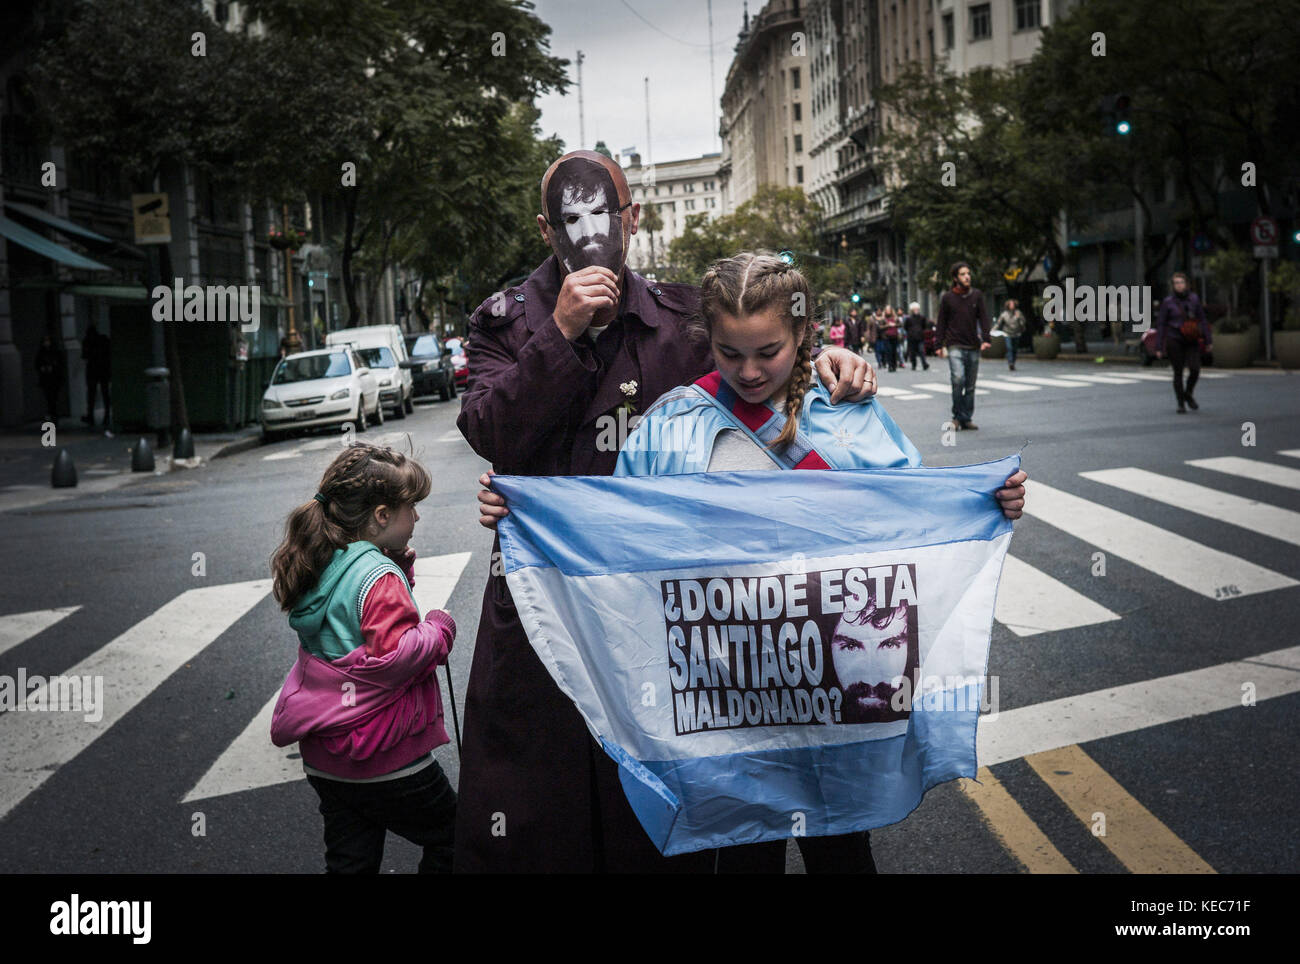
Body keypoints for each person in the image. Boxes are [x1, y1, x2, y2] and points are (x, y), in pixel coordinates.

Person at [458, 152, 880, 874]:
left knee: (667, 809)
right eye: (570, 217)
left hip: (671, 609)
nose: (590, 231)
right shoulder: (503, 323)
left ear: (634, 218)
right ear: (545, 229)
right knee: (541, 811)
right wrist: (557, 335)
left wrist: (828, 369)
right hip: (547, 607)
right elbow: (491, 430)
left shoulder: (684, 318)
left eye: (606, 214)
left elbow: (760, 386)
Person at [611, 253, 1028, 871]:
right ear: (707, 340)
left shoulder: (847, 413)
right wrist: (525, 517)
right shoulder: (671, 425)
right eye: (729, 354)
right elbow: (618, 529)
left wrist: (986, 501)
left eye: (768, 351)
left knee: (841, 846)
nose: (749, 371)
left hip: (835, 680)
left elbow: (909, 513)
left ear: (805, 333)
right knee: (750, 850)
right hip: (730, 689)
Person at [268, 442, 459, 874]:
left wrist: (397, 574)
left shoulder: (324, 559)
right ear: (381, 515)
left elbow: (350, 627)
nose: (417, 517)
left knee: (351, 862)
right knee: (456, 838)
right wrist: (438, 629)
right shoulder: (378, 575)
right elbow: (395, 656)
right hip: (386, 759)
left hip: (327, 762)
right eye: (412, 507)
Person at [935, 262, 993, 430]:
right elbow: (941, 322)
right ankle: (956, 417)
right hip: (955, 345)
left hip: (973, 345)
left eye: (968, 273)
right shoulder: (947, 298)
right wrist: (938, 345)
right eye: (963, 274)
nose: (967, 276)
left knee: (970, 385)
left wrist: (986, 338)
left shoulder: (977, 295)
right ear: (955, 278)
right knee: (958, 379)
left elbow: (983, 318)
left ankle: (966, 418)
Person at [1154, 272, 1212, 413]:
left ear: (1186, 284)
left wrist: (1208, 339)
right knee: (1178, 372)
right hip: (1174, 339)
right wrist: (1159, 346)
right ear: (1173, 286)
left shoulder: (1194, 299)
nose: (1179, 285)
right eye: (1176, 283)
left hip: (1191, 338)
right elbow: (1161, 324)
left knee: (1195, 369)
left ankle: (1188, 393)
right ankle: (1181, 403)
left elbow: (1202, 320)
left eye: (1181, 282)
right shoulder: (1168, 302)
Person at [81, 323, 111, 427]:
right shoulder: (103, 340)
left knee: (91, 394)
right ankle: (106, 416)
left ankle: (91, 416)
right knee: (105, 392)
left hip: (93, 370)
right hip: (103, 369)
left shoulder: (87, 341)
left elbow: (84, 356)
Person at [35, 334, 63, 422]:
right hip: (46, 379)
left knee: (53, 398)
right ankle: (53, 415)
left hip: (54, 379)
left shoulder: (55, 352)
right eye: (45, 341)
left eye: (47, 341)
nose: (46, 343)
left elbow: (60, 364)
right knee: (49, 398)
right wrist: (42, 368)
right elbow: (37, 364)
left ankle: (54, 415)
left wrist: (53, 368)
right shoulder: (41, 353)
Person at [993, 299, 1026, 371]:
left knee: (1014, 349)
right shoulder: (1004, 314)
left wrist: (1019, 318)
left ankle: (1013, 362)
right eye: (1010, 304)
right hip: (1007, 333)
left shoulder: (1018, 313)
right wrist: (993, 330)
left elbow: (1023, 323)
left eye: (1013, 304)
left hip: (1016, 333)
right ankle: (1010, 363)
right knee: (1009, 348)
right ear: (1008, 305)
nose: (1012, 306)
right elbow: (998, 323)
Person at [902, 302, 930, 371]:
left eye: (917, 309)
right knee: (912, 352)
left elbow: (924, 326)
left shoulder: (922, 317)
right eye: (914, 309)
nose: (916, 310)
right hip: (911, 337)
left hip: (920, 337)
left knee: (921, 351)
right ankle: (914, 364)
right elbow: (905, 327)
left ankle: (924, 364)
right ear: (912, 310)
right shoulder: (908, 319)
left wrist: (920, 331)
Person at [880, 306, 901, 372]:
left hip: (894, 337)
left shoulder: (895, 317)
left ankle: (894, 365)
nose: (888, 311)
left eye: (889, 310)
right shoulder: (883, 319)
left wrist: (894, 325)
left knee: (894, 351)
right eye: (887, 310)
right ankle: (890, 365)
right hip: (886, 337)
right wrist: (888, 325)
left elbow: (900, 324)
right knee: (889, 351)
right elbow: (880, 327)